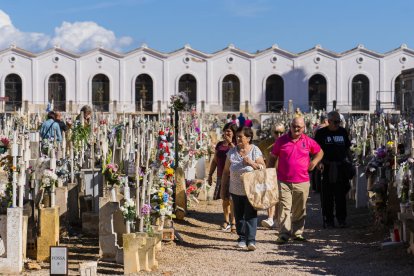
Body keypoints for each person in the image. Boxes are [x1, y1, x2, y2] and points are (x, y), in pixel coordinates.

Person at [267, 117, 323, 244]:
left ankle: (297, 233)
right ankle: (284, 234)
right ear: (290, 126)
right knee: (284, 207)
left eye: (299, 127)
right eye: (294, 126)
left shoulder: (308, 141)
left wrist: (314, 162)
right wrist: (269, 174)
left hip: (302, 180)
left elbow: (320, 152)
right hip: (283, 180)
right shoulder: (281, 141)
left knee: (300, 208)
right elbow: (273, 157)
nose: (296, 128)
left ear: (304, 128)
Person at [221, 126, 265, 251]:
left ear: (249, 138)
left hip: (251, 189)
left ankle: (251, 240)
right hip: (235, 189)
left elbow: (263, 167)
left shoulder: (255, 150)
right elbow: (225, 172)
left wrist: (252, 163)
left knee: (251, 214)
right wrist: (223, 188)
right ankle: (241, 238)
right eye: (237, 136)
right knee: (239, 214)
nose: (238, 138)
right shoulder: (232, 152)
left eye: (241, 136)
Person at [314, 111, 352, 228]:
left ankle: (341, 219)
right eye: (335, 122)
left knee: (341, 195)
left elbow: (347, 149)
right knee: (327, 196)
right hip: (326, 167)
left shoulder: (343, 132)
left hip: (341, 167)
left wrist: (349, 162)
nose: (337, 124)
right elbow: (315, 150)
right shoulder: (321, 133)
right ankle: (328, 219)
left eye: (338, 122)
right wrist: (318, 162)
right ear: (329, 121)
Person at [207, 122, 238, 232]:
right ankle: (226, 221)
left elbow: (238, 155)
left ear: (234, 133)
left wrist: (231, 143)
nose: (227, 133)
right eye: (225, 130)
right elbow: (215, 160)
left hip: (233, 176)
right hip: (221, 175)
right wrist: (210, 174)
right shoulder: (220, 144)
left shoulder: (237, 143)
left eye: (229, 131)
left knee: (232, 199)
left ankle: (234, 221)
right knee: (225, 199)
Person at [260, 123, 285, 229]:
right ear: (272, 132)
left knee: (280, 198)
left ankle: (278, 219)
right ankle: (270, 218)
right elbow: (258, 154)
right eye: (276, 132)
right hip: (270, 173)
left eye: (281, 132)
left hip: (283, 174)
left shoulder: (287, 142)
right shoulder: (265, 144)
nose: (279, 135)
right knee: (270, 196)